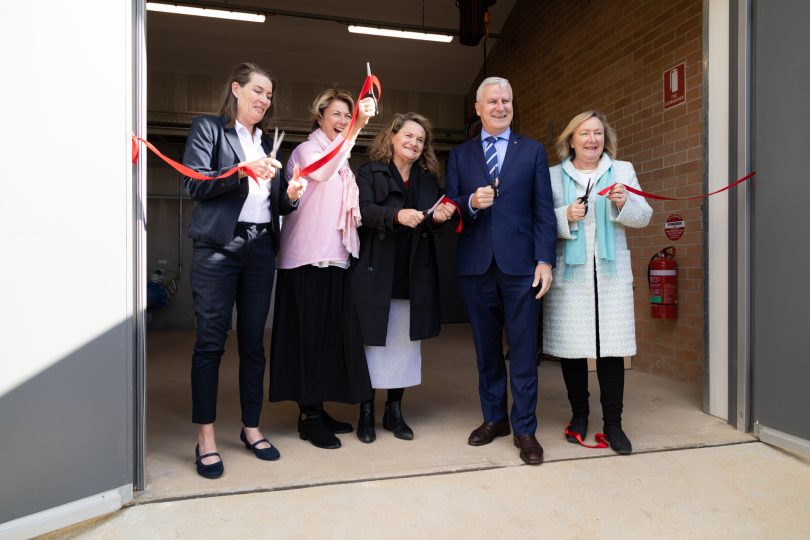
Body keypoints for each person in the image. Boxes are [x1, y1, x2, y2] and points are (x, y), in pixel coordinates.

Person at [183, 62, 305, 479]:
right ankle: (206, 438)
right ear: (235, 89)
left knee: (254, 342)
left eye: (269, 94)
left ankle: (251, 428)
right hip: (218, 247)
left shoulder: (268, 142)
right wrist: (241, 171)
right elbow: (194, 183)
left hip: (258, 248)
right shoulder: (210, 129)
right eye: (257, 91)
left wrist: (289, 194)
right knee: (210, 344)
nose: (264, 100)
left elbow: (275, 205)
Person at [445, 77, 556, 465]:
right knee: (486, 350)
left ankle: (525, 427)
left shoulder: (533, 151)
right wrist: (471, 201)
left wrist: (545, 261)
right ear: (478, 108)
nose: (500, 107)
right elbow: (450, 206)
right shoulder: (460, 155)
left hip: (521, 267)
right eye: (492, 101)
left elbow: (544, 211)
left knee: (523, 351)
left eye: (506, 101)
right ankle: (494, 419)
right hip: (477, 266)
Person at [269, 88, 377, 449]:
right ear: (319, 117)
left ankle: (317, 408)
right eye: (337, 114)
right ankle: (308, 417)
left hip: (334, 258)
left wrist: (351, 132)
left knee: (327, 340)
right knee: (308, 340)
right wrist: (358, 129)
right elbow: (326, 171)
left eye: (348, 115)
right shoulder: (307, 151)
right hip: (305, 259)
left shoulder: (340, 155)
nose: (343, 121)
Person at [543, 111, 652, 455]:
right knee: (572, 350)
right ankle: (579, 417)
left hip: (611, 274)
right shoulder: (553, 176)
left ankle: (613, 424)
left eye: (598, 133)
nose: (592, 140)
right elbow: (541, 223)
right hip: (570, 275)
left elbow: (643, 216)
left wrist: (624, 201)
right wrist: (565, 216)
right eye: (584, 133)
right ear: (570, 139)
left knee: (611, 350)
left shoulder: (622, 170)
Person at [352, 112, 456, 443]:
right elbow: (363, 210)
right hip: (376, 269)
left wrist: (439, 218)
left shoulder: (426, 178)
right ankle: (365, 412)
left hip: (413, 271)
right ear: (393, 137)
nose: (414, 143)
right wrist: (395, 215)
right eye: (408, 136)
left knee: (403, 346)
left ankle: (394, 412)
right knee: (371, 343)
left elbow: (434, 224)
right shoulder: (370, 171)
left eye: (420, 140)